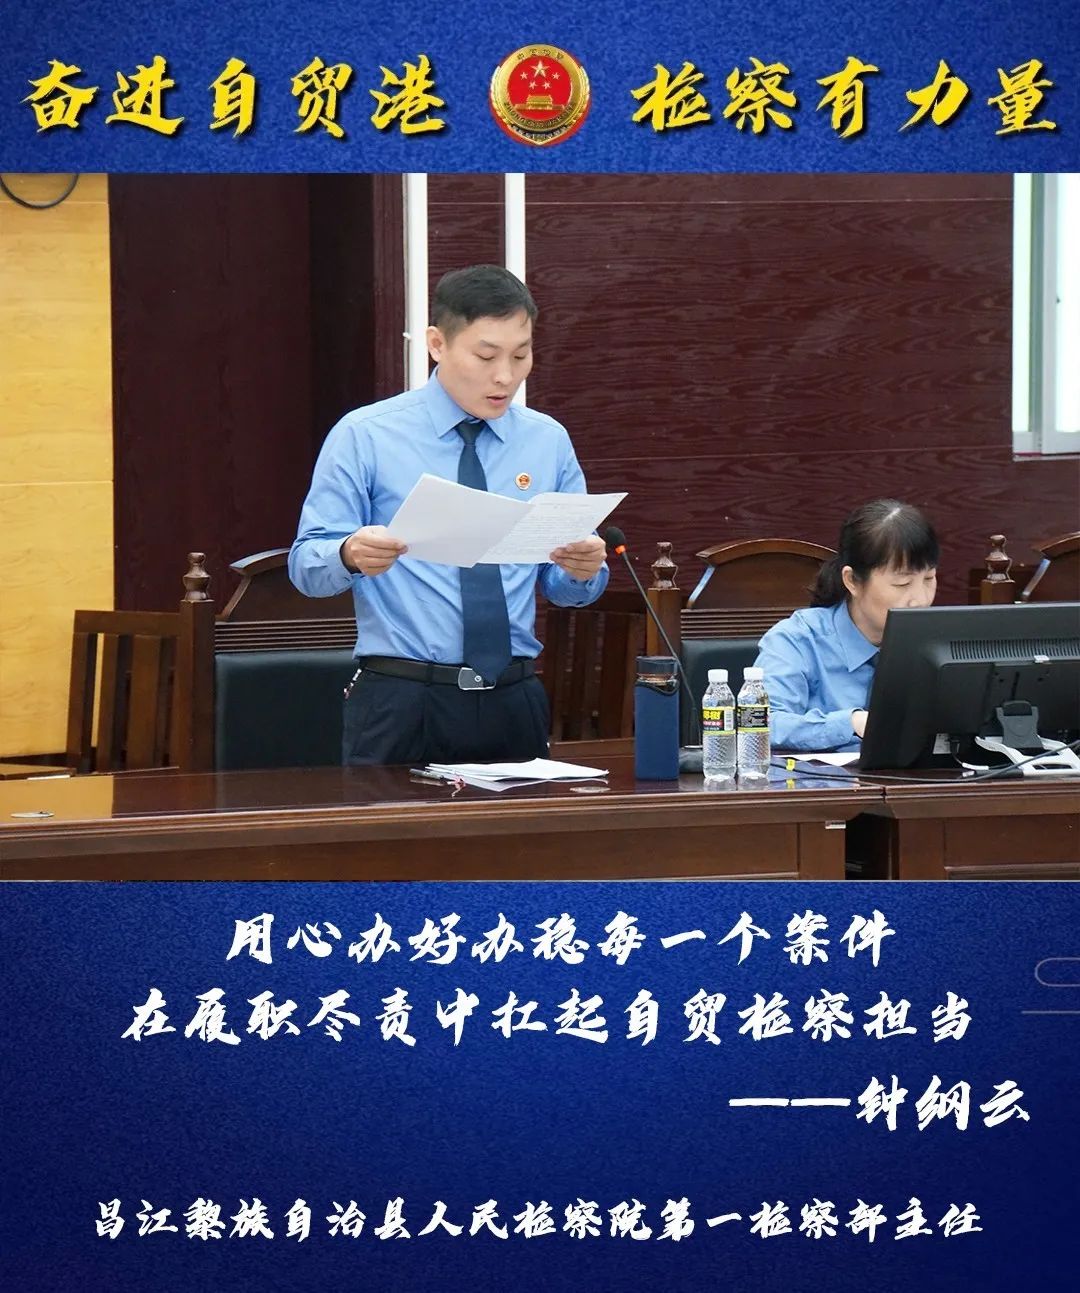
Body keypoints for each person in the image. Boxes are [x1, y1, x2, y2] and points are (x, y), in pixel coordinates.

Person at [288, 264, 609, 766]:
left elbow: (565, 590)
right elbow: (306, 567)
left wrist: (583, 570)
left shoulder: (546, 440)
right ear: (437, 344)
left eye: (520, 355)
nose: (505, 376)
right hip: (403, 698)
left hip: (514, 696)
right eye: (486, 355)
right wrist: (349, 554)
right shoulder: (366, 435)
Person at [754, 499, 939, 752]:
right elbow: (762, 723)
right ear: (852, 580)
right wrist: (851, 723)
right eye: (902, 584)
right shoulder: (796, 640)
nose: (920, 600)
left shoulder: (939, 642)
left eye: (929, 578)